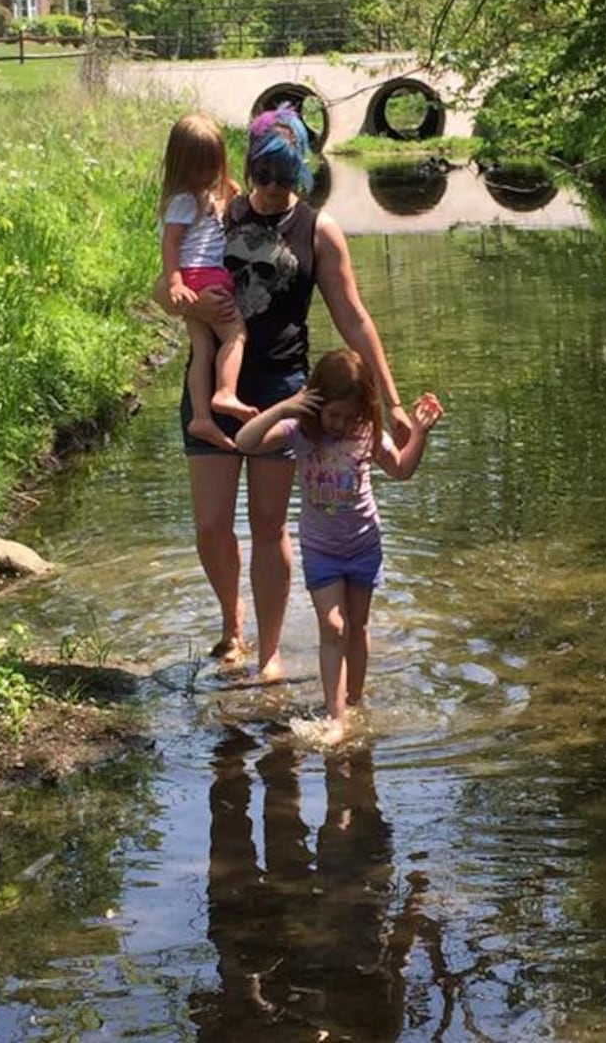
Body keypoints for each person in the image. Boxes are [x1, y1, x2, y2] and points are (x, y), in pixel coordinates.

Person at [154, 106, 415, 683]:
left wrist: (392, 401)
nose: (270, 191)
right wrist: (182, 300)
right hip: (211, 386)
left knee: (269, 526)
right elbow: (164, 283)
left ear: (301, 174)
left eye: (284, 179)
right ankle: (232, 626)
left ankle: (269, 650)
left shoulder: (318, 230)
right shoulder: (218, 210)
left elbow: (353, 317)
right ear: (246, 169)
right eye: (262, 177)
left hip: (283, 391)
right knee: (210, 525)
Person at [236, 349, 443, 743]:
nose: (341, 424)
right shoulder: (300, 432)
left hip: (364, 544)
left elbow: (400, 469)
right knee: (333, 627)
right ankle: (337, 718)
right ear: (315, 405)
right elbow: (245, 442)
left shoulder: (366, 432)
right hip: (321, 549)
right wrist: (284, 408)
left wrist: (419, 434)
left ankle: (354, 699)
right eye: (333, 415)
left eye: (350, 416)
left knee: (358, 627)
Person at [157, 112, 257, 450]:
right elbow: (170, 245)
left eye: (213, 167)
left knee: (202, 348)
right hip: (202, 276)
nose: (208, 176)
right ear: (182, 167)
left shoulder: (191, 197)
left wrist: (225, 194)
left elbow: (209, 218)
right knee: (235, 334)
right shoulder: (185, 201)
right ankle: (226, 392)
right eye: (201, 169)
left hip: (191, 281)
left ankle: (200, 417)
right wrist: (173, 282)